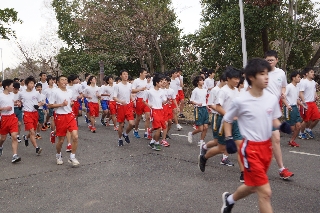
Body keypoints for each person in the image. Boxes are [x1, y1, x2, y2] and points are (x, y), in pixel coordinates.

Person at [220, 58, 292, 213]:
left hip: (266, 148)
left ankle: (230, 199)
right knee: (265, 192)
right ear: (251, 77)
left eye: (267, 73)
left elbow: (273, 118)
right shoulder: (241, 101)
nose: (267, 77)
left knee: (253, 187)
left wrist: (281, 125)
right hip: (250, 149)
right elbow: (227, 120)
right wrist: (229, 139)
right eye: (262, 74)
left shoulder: (271, 98)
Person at [198, 67, 244, 181]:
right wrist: (229, 115)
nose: (237, 81)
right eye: (235, 79)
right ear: (228, 79)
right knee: (222, 148)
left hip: (236, 122)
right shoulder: (223, 91)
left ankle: (244, 173)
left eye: (238, 79)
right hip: (224, 122)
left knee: (241, 146)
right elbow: (217, 106)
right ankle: (204, 157)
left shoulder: (236, 90)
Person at [264, 50, 294, 179]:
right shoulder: (260, 72)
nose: (269, 62)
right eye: (267, 60)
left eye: (271, 60)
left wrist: (283, 93)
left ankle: (282, 169)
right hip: (260, 109)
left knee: (276, 138)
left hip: (273, 108)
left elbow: (283, 86)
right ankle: (249, 166)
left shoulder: (280, 73)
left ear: (276, 60)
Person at [200, 74, 233, 166]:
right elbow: (210, 104)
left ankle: (225, 158)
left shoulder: (230, 90)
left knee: (228, 139)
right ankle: (205, 147)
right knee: (217, 141)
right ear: (223, 80)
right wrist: (221, 110)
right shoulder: (215, 90)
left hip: (228, 118)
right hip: (217, 116)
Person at [48, 75, 80, 166]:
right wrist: (61, 104)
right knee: (61, 140)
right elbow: (50, 105)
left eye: (65, 80)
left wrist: (72, 104)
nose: (64, 81)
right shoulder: (55, 92)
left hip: (70, 115)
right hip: (60, 117)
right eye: (62, 80)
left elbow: (71, 103)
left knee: (75, 137)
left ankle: (72, 157)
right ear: (58, 82)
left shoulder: (70, 91)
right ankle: (58, 155)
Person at [18, 76, 43, 155]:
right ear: (26, 84)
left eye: (33, 83)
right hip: (27, 113)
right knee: (32, 132)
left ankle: (26, 137)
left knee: (33, 131)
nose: (32, 85)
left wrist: (38, 105)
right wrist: (19, 103)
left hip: (35, 113)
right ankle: (37, 148)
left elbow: (41, 101)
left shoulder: (36, 93)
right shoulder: (22, 93)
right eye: (31, 83)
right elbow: (19, 101)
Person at [0, 79, 22, 163]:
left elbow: (12, 103)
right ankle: (0, 146)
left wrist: (17, 103)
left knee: (14, 136)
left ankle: (14, 155)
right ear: (6, 87)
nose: (13, 87)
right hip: (4, 119)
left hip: (12, 117)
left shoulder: (12, 95)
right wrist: (5, 108)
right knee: (3, 138)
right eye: (11, 86)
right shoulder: (0, 95)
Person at [144, 74, 167, 151]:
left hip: (161, 110)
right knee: (158, 128)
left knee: (161, 127)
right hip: (154, 110)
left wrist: (167, 101)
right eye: (160, 81)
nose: (162, 83)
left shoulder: (162, 91)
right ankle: (156, 143)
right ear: (156, 82)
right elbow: (143, 100)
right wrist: (149, 105)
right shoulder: (149, 91)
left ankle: (152, 142)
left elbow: (163, 102)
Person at [113, 69, 135, 146]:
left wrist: (133, 101)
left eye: (127, 74)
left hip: (128, 106)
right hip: (120, 106)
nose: (126, 75)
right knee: (121, 125)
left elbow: (129, 94)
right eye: (124, 74)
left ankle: (125, 134)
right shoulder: (117, 86)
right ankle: (120, 139)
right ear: (121, 76)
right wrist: (121, 101)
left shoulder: (129, 85)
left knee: (132, 124)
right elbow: (114, 97)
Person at [282, 71, 302, 147]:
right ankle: (280, 127)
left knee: (298, 126)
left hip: (295, 108)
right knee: (292, 128)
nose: (299, 78)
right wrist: (287, 105)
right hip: (289, 108)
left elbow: (296, 99)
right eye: (298, 77)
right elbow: (283, 98)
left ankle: (292, 141)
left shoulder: (297, 87)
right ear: (293, 78)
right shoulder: (288, 87)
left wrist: (302, 105)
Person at [299, 67, 320, 139]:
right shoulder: (303, 82)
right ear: (306, 74)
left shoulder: (313, 82)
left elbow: (314, 91)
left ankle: (308, 129)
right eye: (311, 72)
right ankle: (301, 133)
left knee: (317, 118)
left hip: (312, 103)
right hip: (306, 103)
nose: (313, 73)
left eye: (313, 72)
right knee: (306, 120)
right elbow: (301, 93)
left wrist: (316, 96)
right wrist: (304, 102)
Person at [187, 76, 209, 146]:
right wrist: (197, 103)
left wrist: (207, 105)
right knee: (200, 128)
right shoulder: (195, 90)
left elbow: (205, 99)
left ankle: (201, 141)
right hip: (198, 109)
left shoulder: (205, 90)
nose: (202, 81)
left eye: (203, 80)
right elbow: (191, 100)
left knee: (206, 127)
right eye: (201, 80)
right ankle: (191, 133)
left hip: (204, 108)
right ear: (197, 82)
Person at [132, 68, 151, 139]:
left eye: (146, 73)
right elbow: (133, 90)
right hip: (139, 100)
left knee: (148, 117)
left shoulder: (147, 80)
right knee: (138, 118)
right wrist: (141, 89)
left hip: (146, 100)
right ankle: (136, 130)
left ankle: (146, 132)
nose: (146, 75)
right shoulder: (136, 81)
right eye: (145, 73)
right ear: (141, 73)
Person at [42, 75, 57, 144]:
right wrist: (45, 104)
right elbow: (44, 98)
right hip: (50, 105)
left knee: (53, 117)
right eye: (50, 80)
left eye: (52, 80)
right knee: (52, 118)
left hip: (57, 105)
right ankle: (53, 132)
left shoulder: (56, 88)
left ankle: (45, 122)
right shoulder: (46, 90)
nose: (52, 81)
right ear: (48, 81)